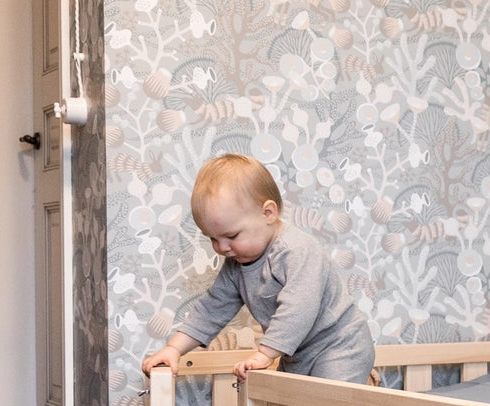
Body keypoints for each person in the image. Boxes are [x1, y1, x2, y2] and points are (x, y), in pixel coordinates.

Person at [141, 153, 374, 387]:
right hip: (297, 352)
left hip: (340, 344)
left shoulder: (297, 250)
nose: (222, 248)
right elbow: (212, 308)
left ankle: (363, 391)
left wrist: (265, 354)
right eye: (212, 238)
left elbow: (299, 306)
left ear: (268, 213)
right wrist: (174, 349)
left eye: (231, 236)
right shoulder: (237, 265)